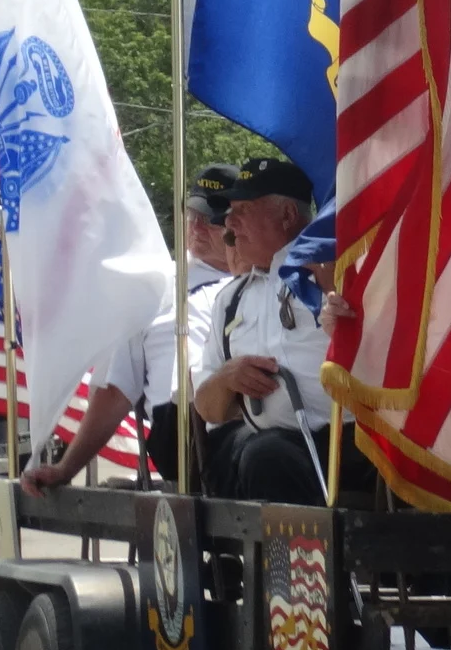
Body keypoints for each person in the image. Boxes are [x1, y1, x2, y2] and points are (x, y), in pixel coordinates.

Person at [22, 161, 241, 496]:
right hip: (185, 431)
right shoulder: (154, 285)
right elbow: (115, 390)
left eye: (210, 219)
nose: (196, 227)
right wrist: (67, 467)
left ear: (235, 224)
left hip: (254, 422)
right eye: (192, 214)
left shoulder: (267, 282)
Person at [189, 157, 338, 504]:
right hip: (274, 448)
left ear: (287, 215)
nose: (229, 222)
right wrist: (228, 378)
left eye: (243, 209)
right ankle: (290, 559)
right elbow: (208, 410)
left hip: (347, 442)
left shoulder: (336, 273)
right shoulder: (230, 299)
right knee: (263, 454)